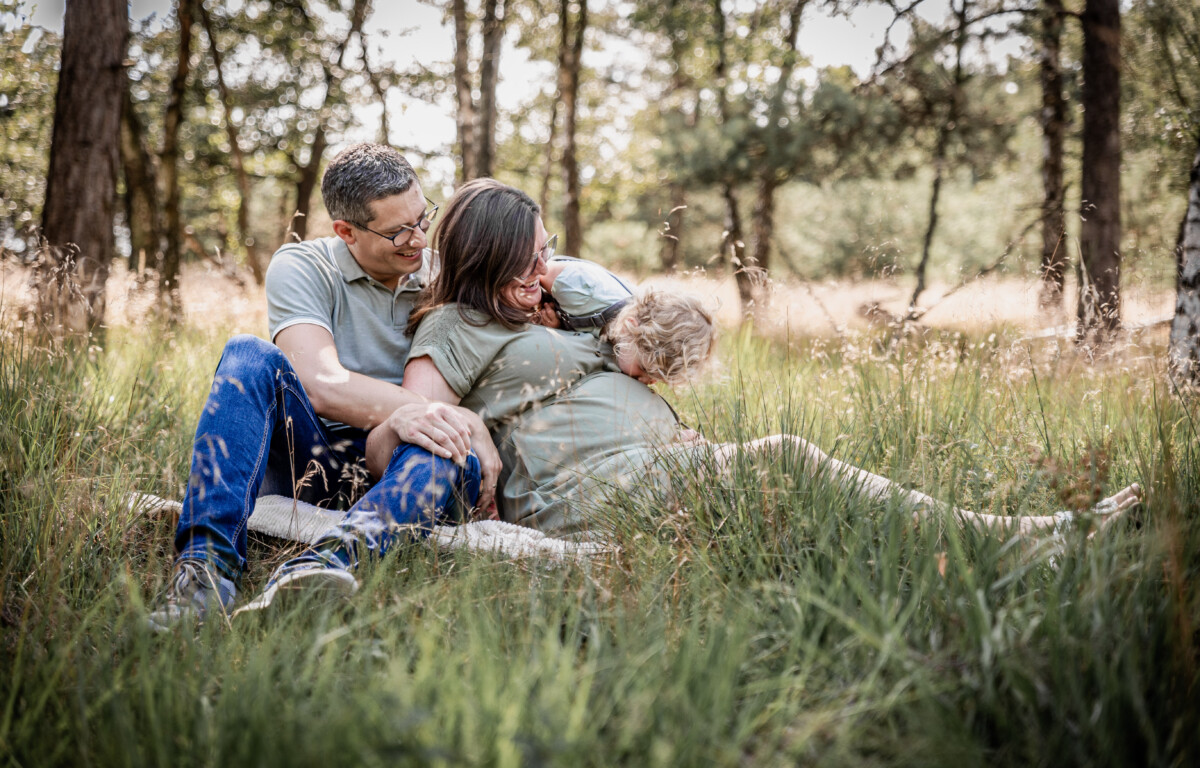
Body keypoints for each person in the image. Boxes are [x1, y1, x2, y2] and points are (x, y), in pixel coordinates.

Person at [248, 177, 1140, 605]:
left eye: (548, 251)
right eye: (528, 258)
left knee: (799, 501)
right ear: (484, 261)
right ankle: (1018, 542)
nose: (544, 266)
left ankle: (1008, 550)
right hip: (585, 493)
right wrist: (463, 439)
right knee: (788, 457)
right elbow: (393, 437)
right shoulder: (451, 330)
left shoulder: (565, 302)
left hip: (662, 466)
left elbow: (667, 327)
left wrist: (611, 325)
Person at [149, 144, 501, 631]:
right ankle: (205, 573)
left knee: (439, 438)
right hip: (311, 451)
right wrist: (434, 413)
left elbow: (538, 269)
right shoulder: (303, 265)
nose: (418, 240)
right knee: (248, 353)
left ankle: (321, 567)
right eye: (397, 230)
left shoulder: (445, 273)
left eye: (423, 219)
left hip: (408, 466)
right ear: (346, 231)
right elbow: (321, 384)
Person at [534, 256, 716, 386]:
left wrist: (558, 326)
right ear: (631, 326)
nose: (647, 381)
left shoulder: (627, 339)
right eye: (644, 369)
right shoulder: (579, 289)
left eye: (656, 379)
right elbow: (535, 274)